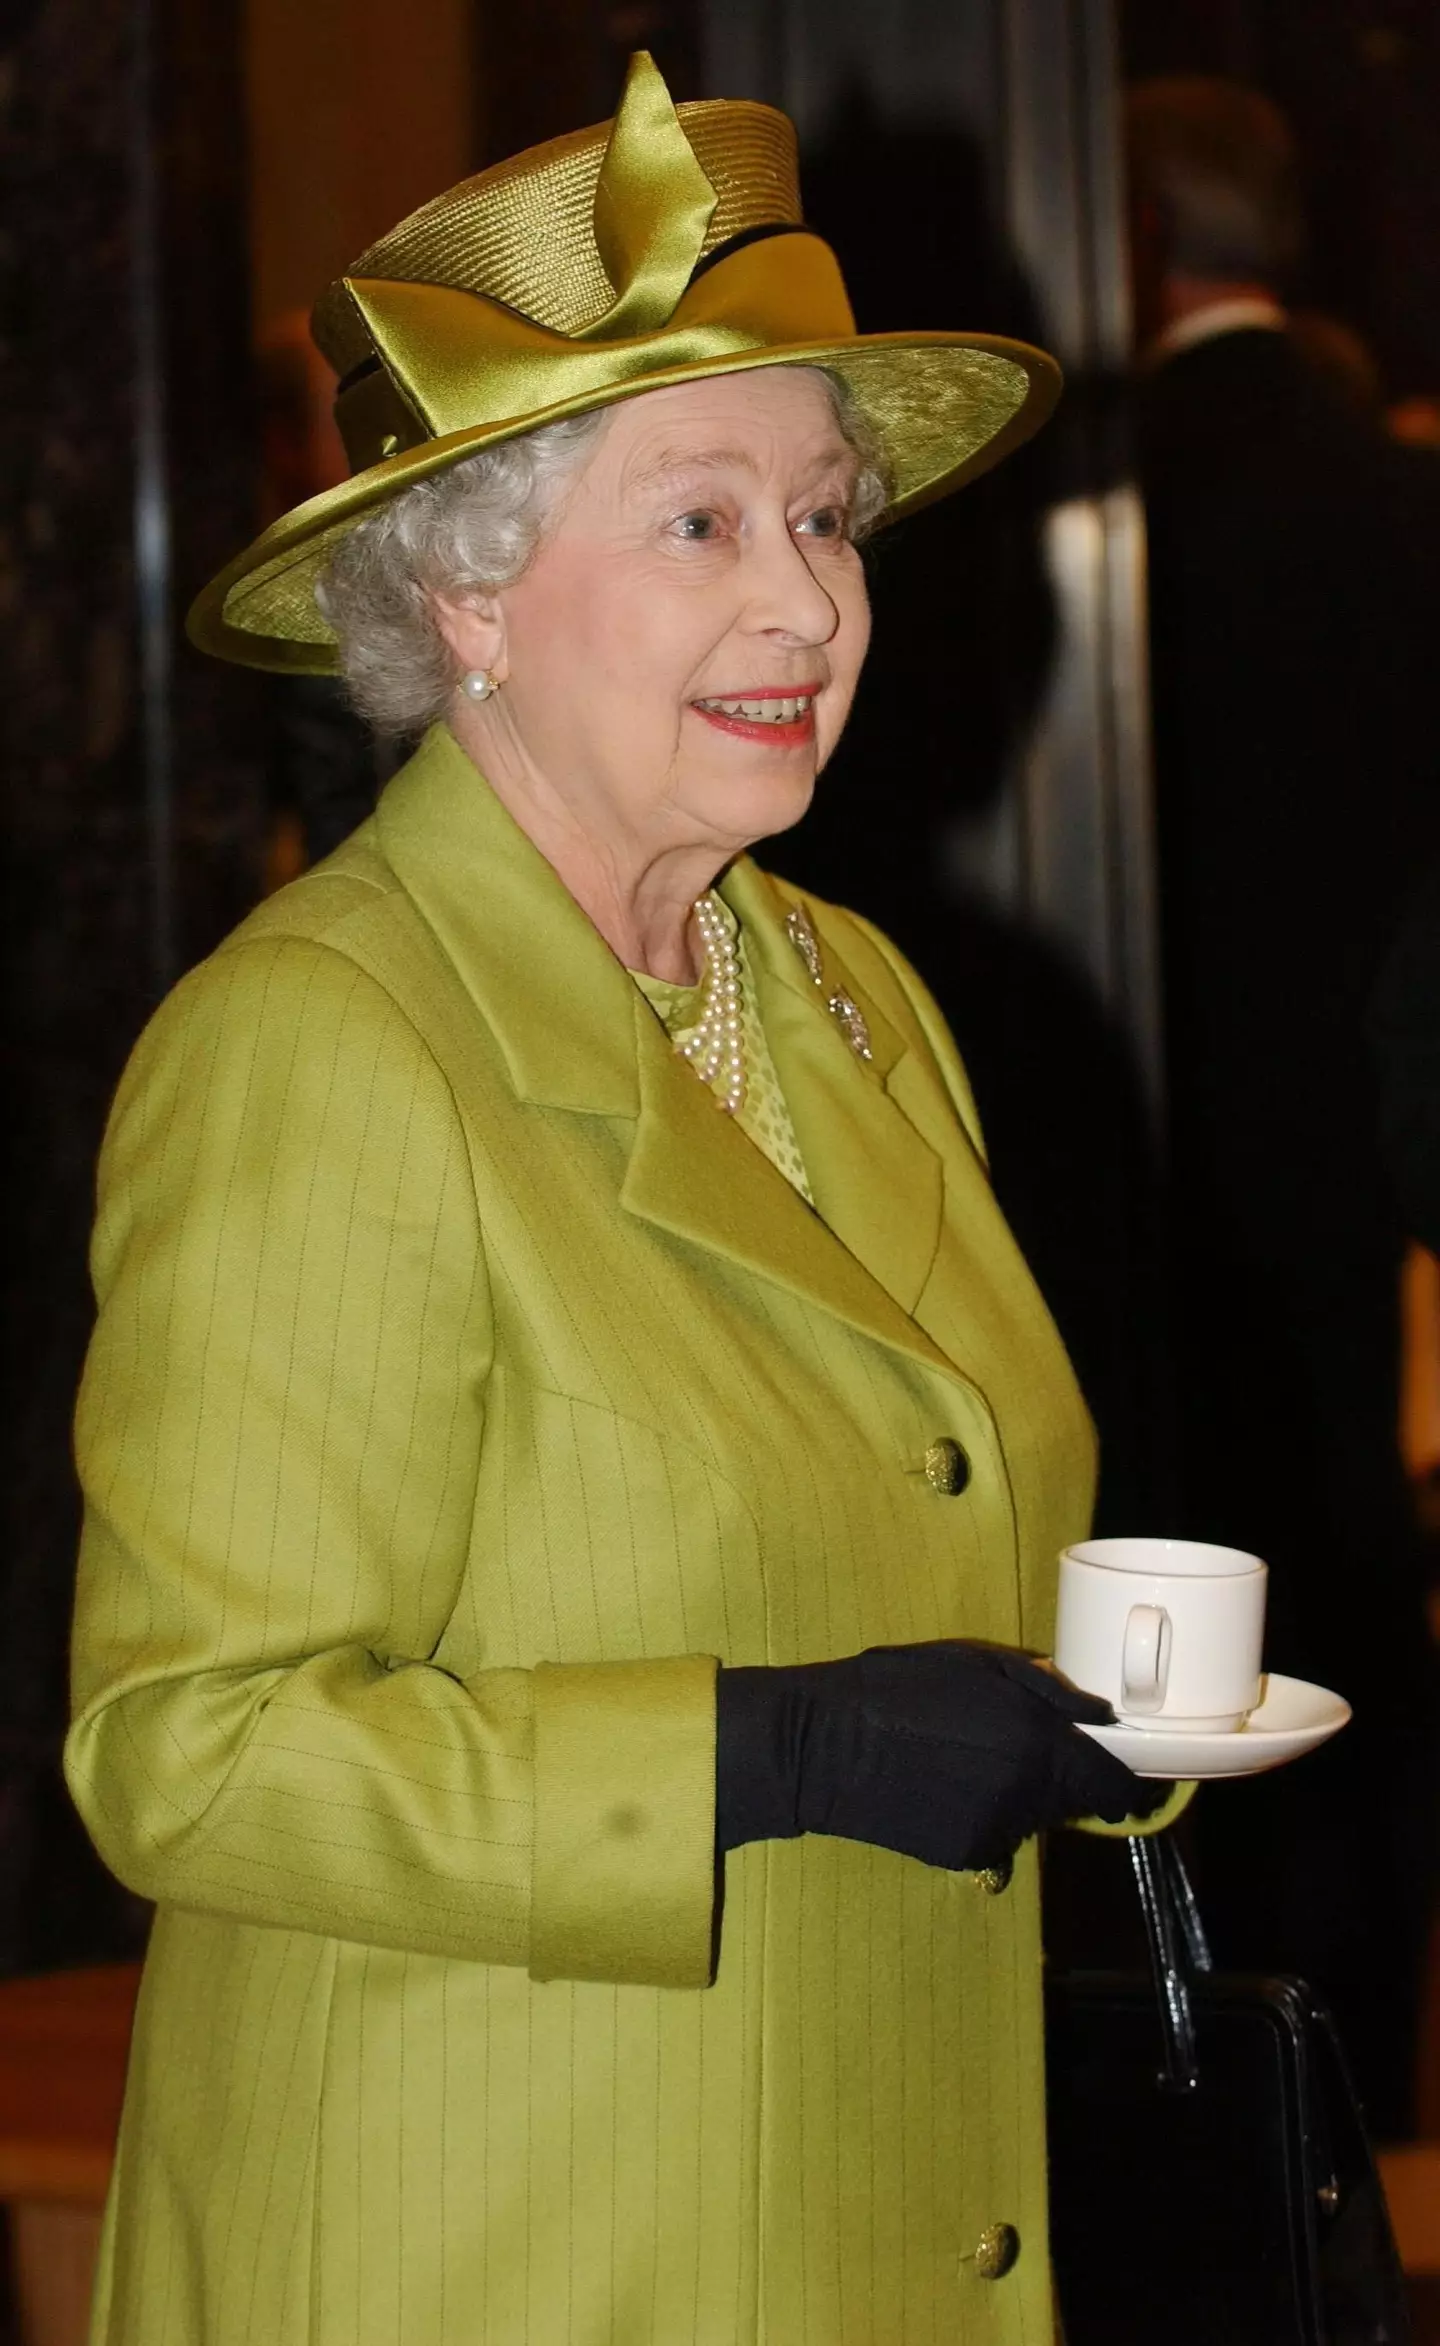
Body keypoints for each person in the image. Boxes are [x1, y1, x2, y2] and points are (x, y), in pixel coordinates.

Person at [66, 57, 1170, 2343]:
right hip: (494, 2257)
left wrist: (1103, 1713)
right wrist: (770, 1753)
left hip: (865, 2220)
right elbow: (192, 1753)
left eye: (829, 519)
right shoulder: (328, 1044)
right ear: (467, 597)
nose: (807, 604)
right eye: (701, 523)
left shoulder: (846, 995)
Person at [1127, 74, 1440, 2134]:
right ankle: (1374, 2096)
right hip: (1369, 1138)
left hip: (1136, 1143)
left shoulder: (1091, 501)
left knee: (1167, 1623)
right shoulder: (1401, 493)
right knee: (1355, 1601)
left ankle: (1198, 2076)